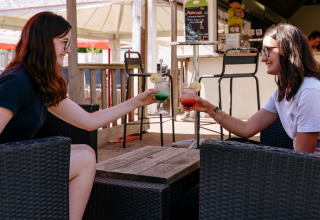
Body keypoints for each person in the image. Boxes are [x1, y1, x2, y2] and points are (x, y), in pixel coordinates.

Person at [0, 12, 158, 220]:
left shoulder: (40, 83)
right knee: (83, 158)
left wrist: (138, 101)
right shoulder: (15, 81)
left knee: (85, 151)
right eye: (64, 42)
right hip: (7, 172)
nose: (67, 50)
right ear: (43, 41)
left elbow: (89, 122)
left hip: (19, 165)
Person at [193, 23, 320, 154]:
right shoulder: (282, 93)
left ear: (288, 50)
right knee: (230, 147)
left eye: (268, 51)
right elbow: (246, 128)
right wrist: (209, 108)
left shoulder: (309, 91)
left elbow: (303, 156)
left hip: (310, 170)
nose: (263, 59)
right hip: (300, 163)